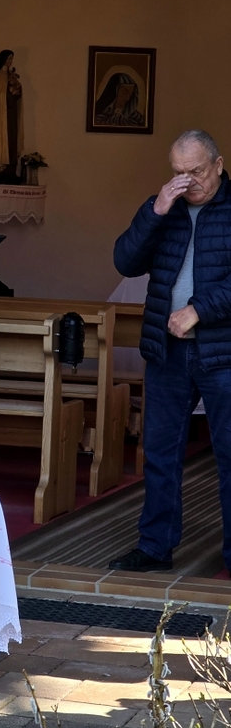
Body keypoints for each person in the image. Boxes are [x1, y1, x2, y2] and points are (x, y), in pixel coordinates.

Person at [109, 129, 231, 573]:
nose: (188, 181)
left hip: (223, 353)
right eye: (179, 172)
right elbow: (125, 262)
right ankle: (155, 547)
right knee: (160, 454)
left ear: (218, 165)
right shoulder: (164, 207)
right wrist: (156, 210)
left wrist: (198, 310)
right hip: (168, 352)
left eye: (196, 171)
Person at [0, 50, 24, 175]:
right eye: (9, 59)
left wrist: (17, 92)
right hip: (3, 113)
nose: (10, 61)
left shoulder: (11, 75)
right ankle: (2, 166)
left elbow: (18, 90)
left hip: (12, 111)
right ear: (3, 59)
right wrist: (9, 94)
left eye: (12, 59)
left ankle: (12, 168)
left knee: (13, 137)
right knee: (4, 136)